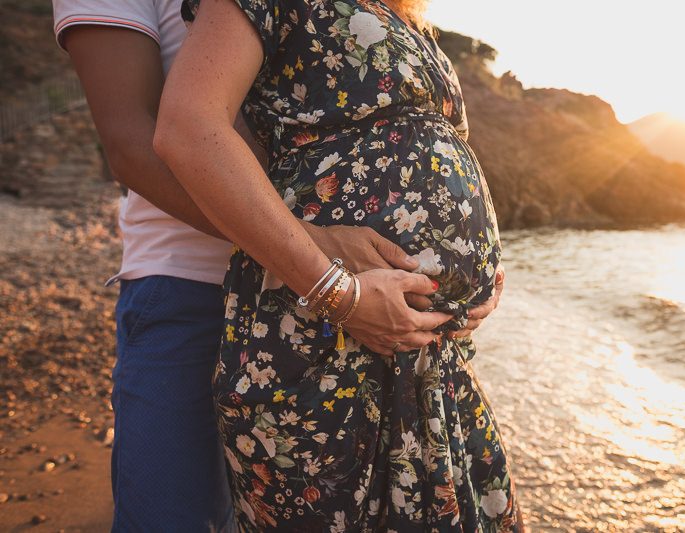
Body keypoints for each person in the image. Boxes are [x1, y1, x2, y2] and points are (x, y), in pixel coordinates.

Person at [52, 0, 504, 530]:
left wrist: (469, 276)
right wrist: (322, 257)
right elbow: (136, 140)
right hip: (195, 284)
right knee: (173, 515)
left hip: (368, 313)